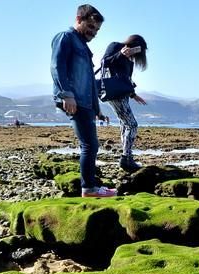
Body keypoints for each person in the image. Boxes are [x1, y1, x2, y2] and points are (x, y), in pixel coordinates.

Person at [51, 4, 116, 198]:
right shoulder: (66, 38)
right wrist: (67, 95)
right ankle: (89, 189)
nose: (94, 32)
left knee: (91, 144)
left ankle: (91, 186)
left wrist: (98, 109)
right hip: (74, 100)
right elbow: (57, 66)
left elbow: (90, 81)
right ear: (78, 19)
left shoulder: (84, 47)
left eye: (97, 29)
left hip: (86, 103)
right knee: (89, 145)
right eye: (91, 27)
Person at [101, 35, 148, 172]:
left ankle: (127, 157)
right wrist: (120, 54)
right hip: (114, 94)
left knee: (124, 124)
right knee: (132, 124)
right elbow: (104, 62)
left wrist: (133, 95)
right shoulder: (115, 46)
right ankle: (126, 157)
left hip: (122, 94)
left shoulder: (129, 60)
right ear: (134, 44)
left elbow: (124, 79)